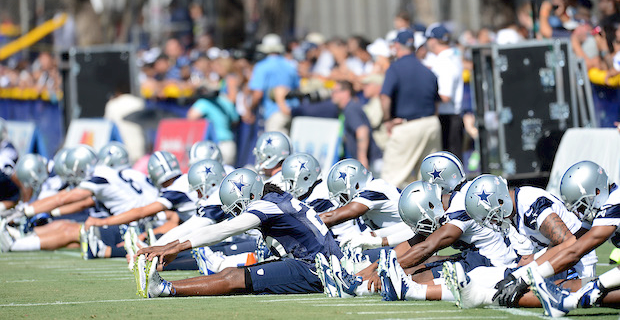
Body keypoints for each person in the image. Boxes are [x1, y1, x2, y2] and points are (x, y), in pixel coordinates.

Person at [133, 168, 342, 298]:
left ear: (251, 194)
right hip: (316, 264)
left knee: (233, 277)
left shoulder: (267, 205)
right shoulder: (276, 199)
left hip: (316, 270)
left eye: (238, 205)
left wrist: (174, 247)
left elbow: (223, 229)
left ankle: (164, 288)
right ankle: (163, 286)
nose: (237, 212)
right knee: (234, 273)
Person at [380, 29, 441, 188]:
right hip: (431, 123)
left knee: (392, 180)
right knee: (431, 179)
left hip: (407, 126)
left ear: (396, 46)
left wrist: (387, 120)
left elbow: (384, 97)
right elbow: (436, 103)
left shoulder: (395, 68)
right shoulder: (427, 70)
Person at [424, 23, 464, 159]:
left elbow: (445, 96)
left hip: (448, 117)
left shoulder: (444, 61)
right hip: (452, 115)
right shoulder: (453, 56)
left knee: (449, 162)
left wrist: (425, 97)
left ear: (434, 41)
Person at [247, 34, 300, 135]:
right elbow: (297, 88)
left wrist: (249, 110)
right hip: (292, 111)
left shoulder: (261, 66)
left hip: (274, 113)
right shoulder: (290, 65)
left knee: (275, 148)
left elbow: (257, 94)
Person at [331, 80, 382, 171]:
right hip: (372, 161)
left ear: (346, 92)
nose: (332, 95)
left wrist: (362, 159)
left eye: (335, 91)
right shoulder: (348, 108)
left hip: (372, 162)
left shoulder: (351, 109)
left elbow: (362, 130)